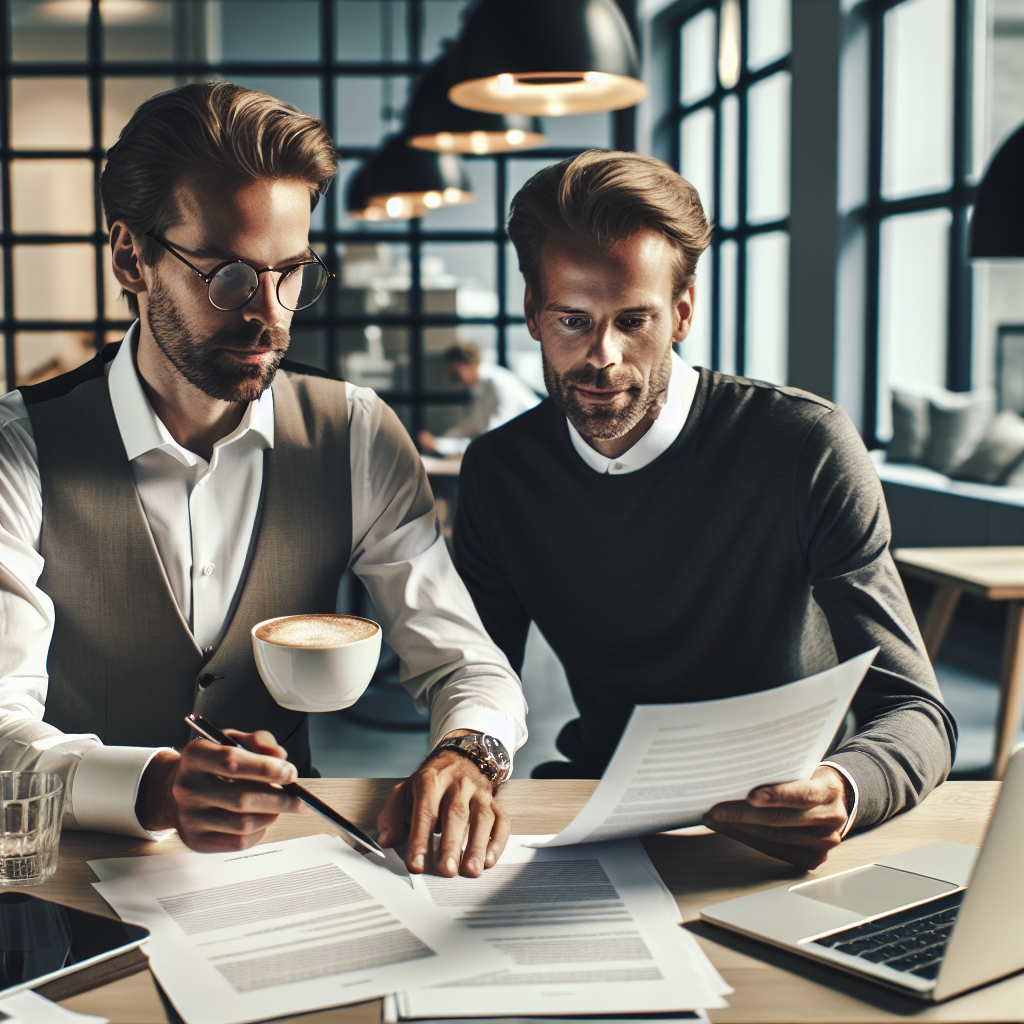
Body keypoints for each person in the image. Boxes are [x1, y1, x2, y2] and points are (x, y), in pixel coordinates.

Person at [0, 83, 528, 878]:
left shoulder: (354, 431)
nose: (271, 314)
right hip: (72, 881)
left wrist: (469, 750)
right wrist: (153, 787)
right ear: (129, 257)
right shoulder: (20, 447)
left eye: (291, 273)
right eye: (229, 277)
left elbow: (465, 661)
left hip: (294, 866)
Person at [452, 151, 957, 871]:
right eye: (572, 319)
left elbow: (917, 712)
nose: (603, 357)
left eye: (635, 320)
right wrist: (467, 759)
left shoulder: (803, 445)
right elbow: (475, 678)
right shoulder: (501, 472)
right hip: (599, 810)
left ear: (683, 311)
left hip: (786, 814)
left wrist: (842, 788)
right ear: (533, 311)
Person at [418, 342, 540, 456]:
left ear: (473, 364)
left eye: (456, 368)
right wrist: (438, 443)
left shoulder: (495, 382)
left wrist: (442, 445)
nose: (451, 374)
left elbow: (493, 437)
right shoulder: (480, 387)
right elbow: (472, 426)